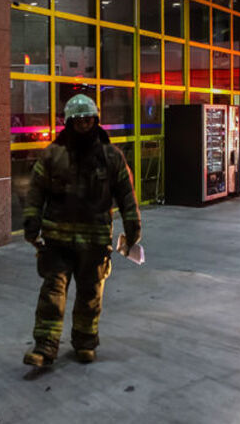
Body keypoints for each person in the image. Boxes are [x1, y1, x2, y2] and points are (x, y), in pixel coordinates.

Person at [22, 94, 141, 367]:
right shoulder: (53, 154)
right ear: (69, 122)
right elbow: (36, 190)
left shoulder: (111, 156)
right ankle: (45, 347)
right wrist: (31, 222)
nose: (84, 124)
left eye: (88, 119)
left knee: (90, 294)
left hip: (95, 239)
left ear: (95, 120)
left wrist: (132, 226)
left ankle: (85, 343)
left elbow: (126, 194)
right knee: (52, 293)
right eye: (78, 120)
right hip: (56, 239)